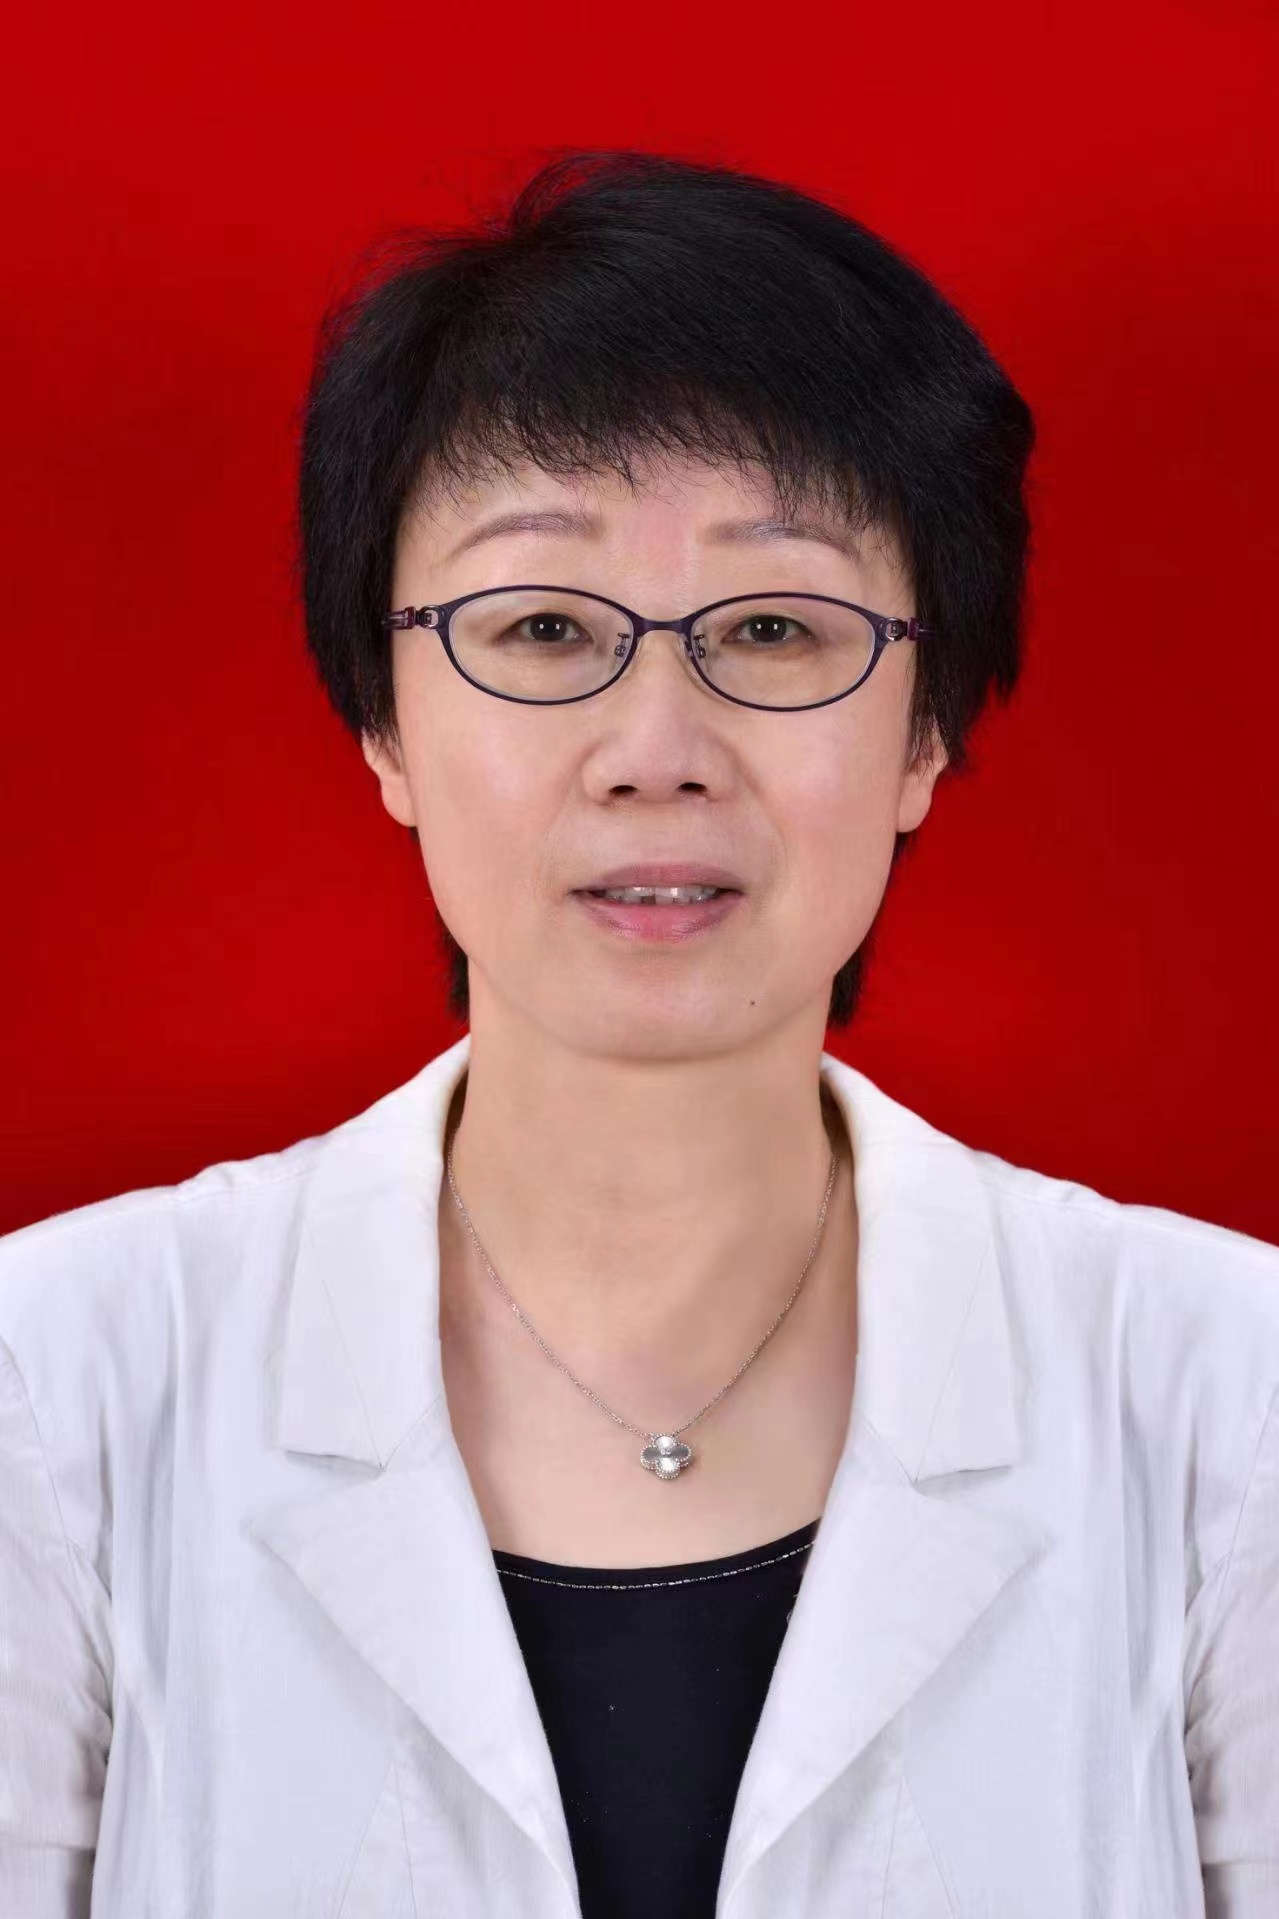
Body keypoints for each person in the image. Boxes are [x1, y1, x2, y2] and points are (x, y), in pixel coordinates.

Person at [1, 148, 1276, 1919]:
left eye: (772, 628)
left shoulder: (1227, 1399)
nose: (655, 750)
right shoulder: (57, 1388)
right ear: (383, 724)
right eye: (541, 627)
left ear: (926, 734)